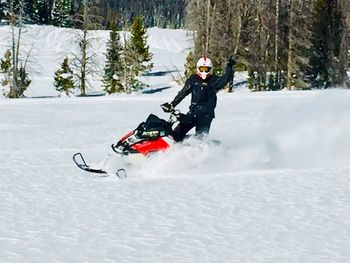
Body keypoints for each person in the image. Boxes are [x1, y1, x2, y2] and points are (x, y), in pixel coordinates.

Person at [161, 55, 236, 142]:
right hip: (193, 112)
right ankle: (174, 150)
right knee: (177, 133)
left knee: (200, 139)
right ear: (198, 68)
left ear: (210, 69)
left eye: (206, 69)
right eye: (202, 69)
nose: (204, 71)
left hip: (206, 115)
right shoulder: (193, 79)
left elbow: (226, 79)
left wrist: (229, 66)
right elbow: (183, 93)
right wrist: (172, 104)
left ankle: (203, 153)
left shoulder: (214, 80)